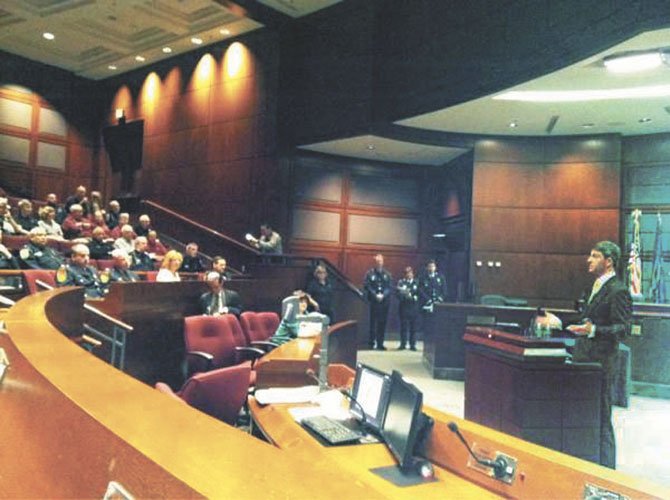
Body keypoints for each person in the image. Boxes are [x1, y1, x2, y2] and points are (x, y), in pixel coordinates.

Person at [567, 241, 632, 470]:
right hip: (585, 360)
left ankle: (607, 473)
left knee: (601, 418)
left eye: (595, 256)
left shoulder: (619, 290)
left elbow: (623, 329)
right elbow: (588, 320)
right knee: (584, 415)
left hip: (601, 364)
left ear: (609, 261)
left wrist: (593, 330)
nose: (589, 260)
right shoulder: (595, 285)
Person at [363, 253, 392, 350]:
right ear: (375, 262)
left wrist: (383, 295)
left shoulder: (387, 274)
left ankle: (380, 343)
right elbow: (367, 285)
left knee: (382, 323)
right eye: (377, 261)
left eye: (380, 261)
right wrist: (375, 295)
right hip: (374, 302)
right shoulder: (370, 273)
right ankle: (371, 343)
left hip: (384, 302)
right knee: (373, 323)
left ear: (383, 262)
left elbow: (389, 287)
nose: (379, 263)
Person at [396, 266, 420, 351]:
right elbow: (397, 294)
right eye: (407, 273)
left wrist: (413, 297)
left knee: (413, 327)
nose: (408, 275)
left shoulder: (416, 283)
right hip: (404, 307)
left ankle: (412, 344)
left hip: (413, 307)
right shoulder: (401, 283)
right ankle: (403, 344)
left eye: (410, 273)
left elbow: (419, 293)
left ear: (412, 274)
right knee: (403, 327)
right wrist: (405, 296)